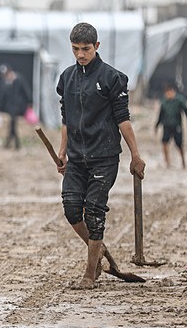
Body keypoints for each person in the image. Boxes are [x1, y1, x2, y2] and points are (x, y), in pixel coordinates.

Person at [56, 22, 146, 289]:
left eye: (85, 49)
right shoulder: (67, 78)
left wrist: (136, 155)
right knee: (72, 209)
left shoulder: (112, 78)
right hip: (75, 157)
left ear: (97, 46)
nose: (80, 54)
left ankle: (89, 273)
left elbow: (123, 120)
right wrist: (62, 151)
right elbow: (66, 119)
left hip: (104, 157)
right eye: (75, 49)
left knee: (94, 212)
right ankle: (100, 249)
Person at [154, 81, 187, 169]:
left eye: (170, 92)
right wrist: (157, 125)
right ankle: (167, 162)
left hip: (176, 125)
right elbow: (160, 114)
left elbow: (186, 111)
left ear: (173, 91)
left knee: (179, 144)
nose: (169, 94)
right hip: (166, 125)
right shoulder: (164, 101)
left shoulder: (179, 100)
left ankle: (183, 161)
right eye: (167, 93)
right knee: (164, 143)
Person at [0, 64, 32, 149]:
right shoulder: (5, 83)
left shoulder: (19, 79)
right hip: (11, 107)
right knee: (12, 123)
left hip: (19, 106)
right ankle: (14, 143)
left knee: (12, 123)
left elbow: (25, 91)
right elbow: (2, 96)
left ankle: (12, 143)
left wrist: (29, 102)